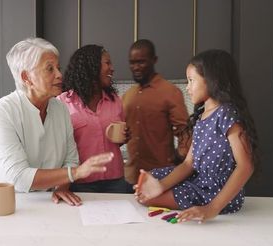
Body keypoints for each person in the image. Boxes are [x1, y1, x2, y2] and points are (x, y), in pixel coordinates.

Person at [0, 38, 114, 206]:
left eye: (58, 68)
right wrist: (76, 173)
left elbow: (70, 159)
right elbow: (20, 176)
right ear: (27, 77)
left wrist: (62, 186)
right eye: (50, 69)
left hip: (33, 202)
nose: (59, 74)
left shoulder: (61, 109)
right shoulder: (2, 112)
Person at [135, 49, 259, 223]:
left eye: (191, 80)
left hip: (215, 191)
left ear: (211, 80)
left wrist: (212, 209)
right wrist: (159, 186)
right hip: (199, 181)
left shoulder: (227, 114)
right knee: (151, 182)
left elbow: (246, 166)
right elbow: (188, 164)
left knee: (146, 199)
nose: (187, 87)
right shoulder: (202, 117)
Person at [57, 45, 131, 193]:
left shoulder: (115, 100)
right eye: (107, 63)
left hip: (115, 180)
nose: (112, 68)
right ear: (91, 66)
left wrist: (125, 136)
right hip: (80, 182)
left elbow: (119, 138)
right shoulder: (62, 103)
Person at [122, 39, 190, 184]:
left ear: (154, 60)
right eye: (132, 63)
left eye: (141, 62)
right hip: (131, 177)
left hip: (161, 177)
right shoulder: (128, 96)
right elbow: (123, 131)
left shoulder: (170, 92)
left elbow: (185, 131)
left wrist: (179, 156)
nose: (136, 67)